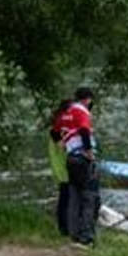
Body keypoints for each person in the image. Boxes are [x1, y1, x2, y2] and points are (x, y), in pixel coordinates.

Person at [59, 86, 99, 248]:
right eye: (90, 100)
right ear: (87, 99)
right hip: (82, 159)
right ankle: (86, 238)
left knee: (74, 198)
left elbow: (57, 132)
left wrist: (63, 143)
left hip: (70, 158)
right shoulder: (81, 111)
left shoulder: (66, 113)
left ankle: (73, 235)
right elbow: (84, 129)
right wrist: (89, 151)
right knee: (89, 198)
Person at [47, 99, 73, 236]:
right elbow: (64, 146)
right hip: (64, 170)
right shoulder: (59, 129)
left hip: (60, 168)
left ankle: (64, 229)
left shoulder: (56, 127)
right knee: (65, 201)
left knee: (64, 199)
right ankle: (64, 230)